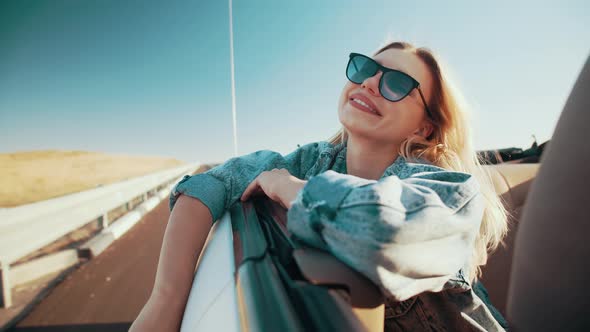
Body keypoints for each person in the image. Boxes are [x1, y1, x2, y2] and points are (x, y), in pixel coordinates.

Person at [129, 41, 509, 331]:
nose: (372, 82)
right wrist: (166, 298)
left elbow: (382, 232)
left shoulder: (446, 188)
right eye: (365, 69)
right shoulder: (315, 161)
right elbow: (211, 184)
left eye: (396, 83)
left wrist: (291, 189)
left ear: (424, 127)